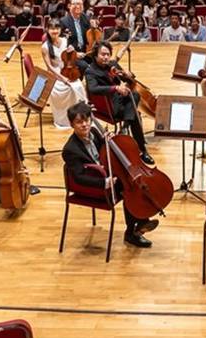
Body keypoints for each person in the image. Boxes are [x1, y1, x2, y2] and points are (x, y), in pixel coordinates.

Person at [61, 103, 159, 248]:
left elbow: (106, 149)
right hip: (96, 184)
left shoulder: (94, 132)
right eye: (79, 122)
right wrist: (105, 183)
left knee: (130, 180)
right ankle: (133, 231)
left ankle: (139, 223)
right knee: (128, 188)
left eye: (86, 120)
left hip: (107, 173)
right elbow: (79, 177)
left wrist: (110, 140)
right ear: (71, 124)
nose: (84, 125)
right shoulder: (70, 149)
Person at [84, 41, 153, 164]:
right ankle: (142, 151)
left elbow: (129, 80)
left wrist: (128, 75)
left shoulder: (112, 64)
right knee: (135, 115)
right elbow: (93, 89)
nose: (106, 57)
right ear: (95, 55)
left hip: (120, 102)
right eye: (103, 54)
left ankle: (126, 126)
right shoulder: (91, 71)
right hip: (108, 106)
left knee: (135, 95)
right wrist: (115, 88)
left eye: (108, 54)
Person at [39, 17, 88, 128]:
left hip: (68, 69)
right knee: (68, 89)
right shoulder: (45, 47)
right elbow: (49, 67)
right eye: (51, 28)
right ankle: (65, 120)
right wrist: (62, 78)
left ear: (60, 30)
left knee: (79, 86)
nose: (54, 31)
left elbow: (70, 57)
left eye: (57, 28)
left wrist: (76, 53)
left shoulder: (66, 41)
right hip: (55, 74)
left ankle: (80, 116)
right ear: (47, 29)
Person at [58, 0, 96, 72]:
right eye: (75, 4)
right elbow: (61, 44)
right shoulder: (63, 22)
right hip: (71, 55)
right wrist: (75, 54)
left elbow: (92, 37)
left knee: (101, 62)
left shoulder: (86, 19)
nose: (78, 6)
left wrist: (94, 27)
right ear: (69, 6)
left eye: (80, 4)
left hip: (86, 53)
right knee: (85, 66)